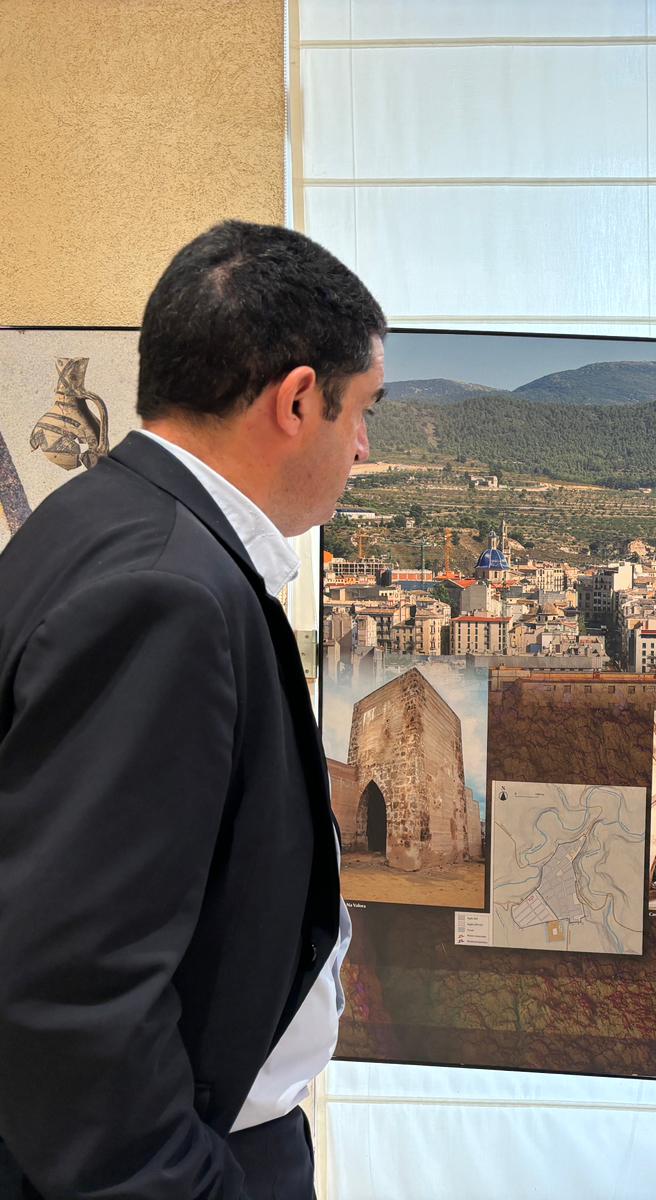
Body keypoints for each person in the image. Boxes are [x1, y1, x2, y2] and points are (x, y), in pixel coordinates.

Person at [0, 221, 386, 1198]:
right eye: (363, 412)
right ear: (299, 399)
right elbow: (72, 989)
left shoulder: (101, 521)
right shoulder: (168, 593)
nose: (365, 450)